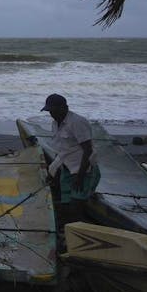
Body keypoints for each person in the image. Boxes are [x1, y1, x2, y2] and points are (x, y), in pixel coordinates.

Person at [41, 93, 100, 224]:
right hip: (67, 167)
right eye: (49, 111)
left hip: (84, 169)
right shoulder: (55, 124)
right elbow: (60, 150)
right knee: (65, 204)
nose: (52, 114)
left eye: (54, 110)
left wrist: (80, 175)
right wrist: (52, 171)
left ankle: (79, 230)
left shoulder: (77, 122)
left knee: (77, 205)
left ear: (64, 107)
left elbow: (88, 150)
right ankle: (68, 229)